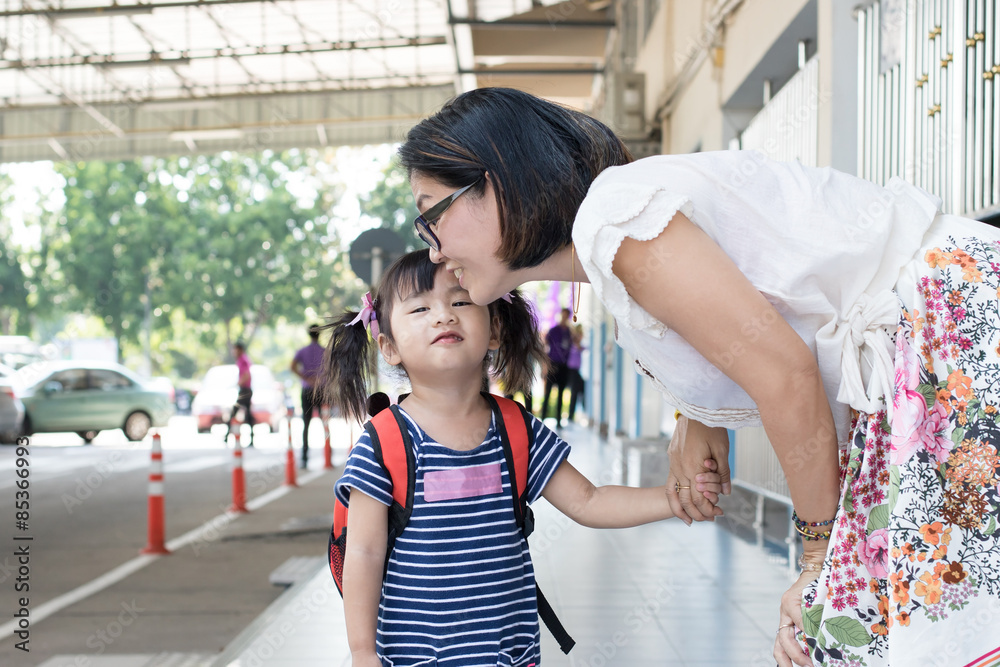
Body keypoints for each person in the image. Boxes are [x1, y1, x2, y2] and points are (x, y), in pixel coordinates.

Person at [397, 87, 1000, 666]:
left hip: (949, 337)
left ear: (496, 184)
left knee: (856, 622)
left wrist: (818, 556)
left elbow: (785, 373)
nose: (432, 250)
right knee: (872, 628)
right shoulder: (614, 235)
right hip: (922, 361)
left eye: (433, 217)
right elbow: (740, 333)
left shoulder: (616, 221)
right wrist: (696, 415)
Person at [319, 250, 723, 667]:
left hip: (510, 656)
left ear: (494, 330)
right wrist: (363, 651)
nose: (443, 316)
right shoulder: (384, 443)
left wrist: (673, 499)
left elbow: (589, 500)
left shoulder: (515, 428)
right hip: (414, 658)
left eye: (460, 301)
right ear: (388, 347)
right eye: (420, 308)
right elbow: (364, 554)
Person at [290, 323, 324, 468]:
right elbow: (333, 368)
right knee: (325, 421)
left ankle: (304, 457)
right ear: (319, 334)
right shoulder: (325, 351)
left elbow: (292, 366)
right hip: (322, 389)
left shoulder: (302, 351)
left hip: (307, 390)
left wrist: (305, 378)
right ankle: (328, 454)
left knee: (306, 423)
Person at [540, 307, 572, 427]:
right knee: (548, 393)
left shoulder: (569, 332)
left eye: (566, 316)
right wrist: (545, 365)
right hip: (553, 365)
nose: (564, 318)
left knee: (561, 394)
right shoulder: (554, 330)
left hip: (564, 366)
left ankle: (559, 421)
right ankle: (542, 418)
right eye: (563, 315)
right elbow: (545, 345)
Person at [227, 341, 255, 447]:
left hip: (245, 390)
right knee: (247, 415)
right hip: (244, 390)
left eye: (236, 349)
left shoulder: (243, 360)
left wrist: (238, 383)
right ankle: (251, 438)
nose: (234, 352)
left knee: (235, 412)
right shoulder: (241, 359)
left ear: (240, 349)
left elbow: (246, 374)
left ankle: (227, 435)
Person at [566, 324, 585, 424]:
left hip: (576, 371)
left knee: (580, 390)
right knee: (574, 392)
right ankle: (571, 415)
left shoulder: (580, 346)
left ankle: (579, 412)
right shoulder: (573, 344)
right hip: (571, 370)